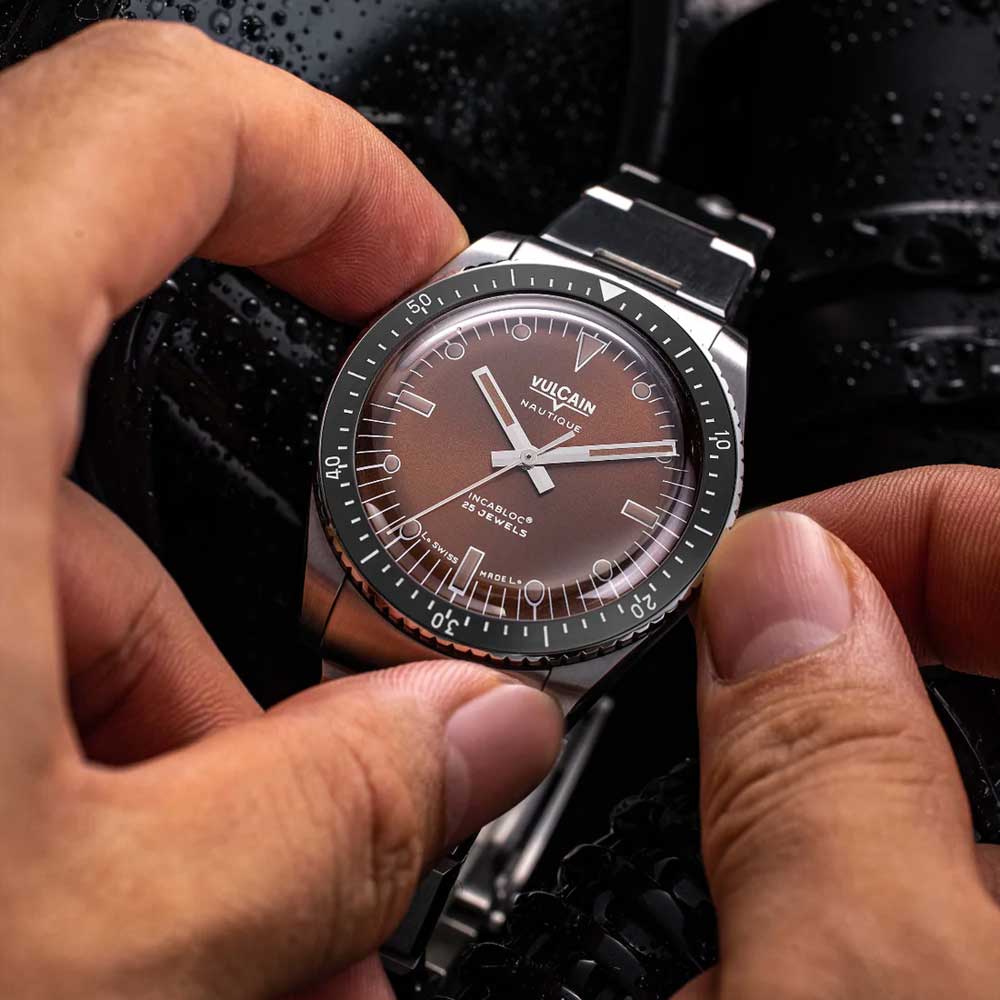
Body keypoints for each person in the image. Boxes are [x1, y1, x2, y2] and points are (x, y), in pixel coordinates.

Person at [1, 19, 997, 999]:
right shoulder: (491, 311)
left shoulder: (702, 384)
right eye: (522, 446)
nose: (528, 458)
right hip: (394, 593)